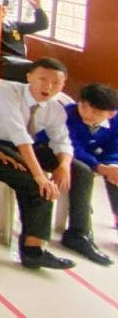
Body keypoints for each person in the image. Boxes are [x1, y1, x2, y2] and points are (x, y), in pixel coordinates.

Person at [0, 57, 76, 270]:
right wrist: (39, 175)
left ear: (63, 85)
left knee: (78, 170)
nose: (48, 87)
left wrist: (64, 165)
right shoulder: (8, 91)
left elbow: (61, 140)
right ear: (29, 76)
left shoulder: (55, 108)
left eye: (55, 83)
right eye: (42, 79)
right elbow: (18, 132)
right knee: (37, 184)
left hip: (24, 147)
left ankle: (79, 233)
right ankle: (33, 250)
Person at [61, 82, 117, 266]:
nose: (87, 114)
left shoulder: (116, 122)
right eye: (84, 106)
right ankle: (80, 233)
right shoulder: (67, 113)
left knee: (116, 172)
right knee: (83, 171)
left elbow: (115, 148)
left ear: (110, 114)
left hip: (95, 158)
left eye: (96, 113)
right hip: (60, 153)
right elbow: (70, 144)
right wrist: (98, 166)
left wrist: (111, 165)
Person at [0, 0, 49, 81]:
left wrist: (38, 8)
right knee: (31, 69)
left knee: (43, 67)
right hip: (4, 62)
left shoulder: (15, 25)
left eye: (4, 8)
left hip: (20, 61)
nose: (2, 11)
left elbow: (42, 25)